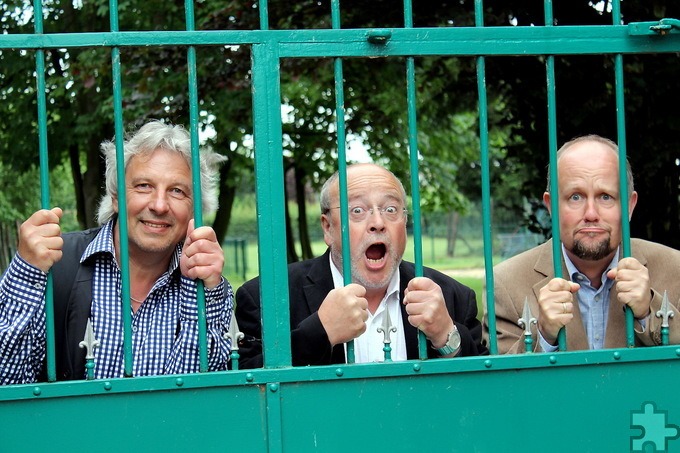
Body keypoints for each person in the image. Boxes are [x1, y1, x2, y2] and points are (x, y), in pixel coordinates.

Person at [0, 120, 233, 384]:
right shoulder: (56, 265)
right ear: (115, 196)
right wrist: (25, 271)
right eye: (144, 185)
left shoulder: (208, 285)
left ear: (195, 208)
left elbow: (202, 398)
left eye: (177, 191)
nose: (159, 205)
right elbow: (8, 381)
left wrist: (203, 291)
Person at [236, 163, 487, 368]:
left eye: (390, 209)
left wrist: (446, 335)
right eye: (357, 210)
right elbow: (246, 390)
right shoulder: (268, 297)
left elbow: (485, 393)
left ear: (405, 223)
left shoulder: (453, 296)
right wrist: (320, 332)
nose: (378, 222)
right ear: (328, 227)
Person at [487, 135, 680, 354]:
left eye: (605, 197)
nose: (591, 214)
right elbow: (501, 383)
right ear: (551, 206)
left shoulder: (676, 270)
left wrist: (648, 312)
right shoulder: (506, 285)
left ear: (629, 205)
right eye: (576, 197)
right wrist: (543, 336)